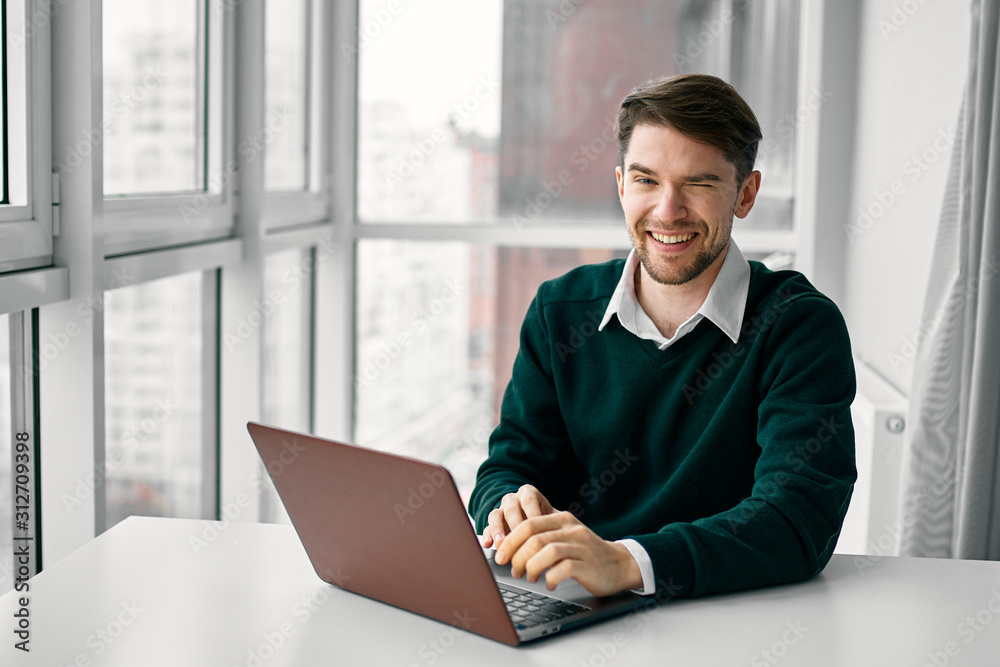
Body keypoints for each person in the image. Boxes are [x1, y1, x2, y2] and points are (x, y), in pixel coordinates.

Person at [468, 73, 856, 601]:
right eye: (647, 180)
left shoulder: (799, 328)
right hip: (572, 603)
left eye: (699, 183)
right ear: (622, 186)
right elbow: (509, 465)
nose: (667, 210)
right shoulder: (558, 312)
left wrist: (627, 563)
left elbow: (796, 520)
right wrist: (507, 503)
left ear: (745, 194)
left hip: (731, 616)